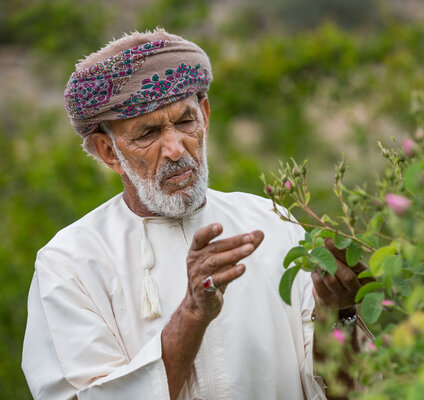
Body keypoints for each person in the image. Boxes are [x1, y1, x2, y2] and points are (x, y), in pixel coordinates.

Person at [22, 29, 369, 400]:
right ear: (108, 152)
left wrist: (339, 311)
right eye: (148, 133)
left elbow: (345, 389)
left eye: (185, 122)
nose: (174, 149)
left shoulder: (273, 222)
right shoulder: (70, 263)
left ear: (204, 115)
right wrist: (192, 313)